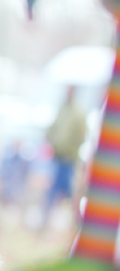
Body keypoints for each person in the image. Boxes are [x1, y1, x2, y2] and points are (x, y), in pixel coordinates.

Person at [43, 86, 89, 224]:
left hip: (69, 159)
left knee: (70, 193)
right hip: (58, 157)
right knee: (53, 191)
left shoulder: (78, 113)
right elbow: (52, 128)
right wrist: (50, 140)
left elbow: (82, 136)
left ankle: (76, 222)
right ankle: (46, 221)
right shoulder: (62, 110)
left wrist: (71, 150)